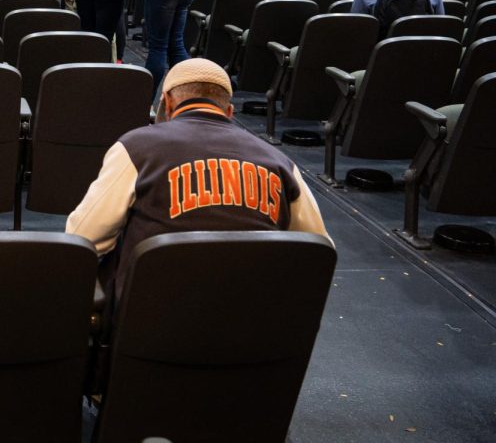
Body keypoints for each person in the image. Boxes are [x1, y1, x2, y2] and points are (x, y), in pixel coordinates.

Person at [65, 58, 330, 300]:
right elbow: (318, 252)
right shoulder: (280, 162)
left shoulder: (136, 148)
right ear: (229, 112)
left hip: (149, 331)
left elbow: (83, 238)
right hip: (252, 334)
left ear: (167, 103)